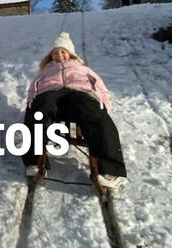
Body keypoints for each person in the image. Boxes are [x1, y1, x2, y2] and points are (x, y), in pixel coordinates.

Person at [22, 32, 127, 189]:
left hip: (79, 93)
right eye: (55, 53)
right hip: (52, 93)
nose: (59, 55)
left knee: (92, 112)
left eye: (63, 52)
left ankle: (110, 169)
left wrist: (104, 106)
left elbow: (100, 86)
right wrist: (31, 103)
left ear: (70, 54)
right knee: (39, 111)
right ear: (51, 57)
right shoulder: (45, 71)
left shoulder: (82, 68)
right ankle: (34, 161)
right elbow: (33, 89)